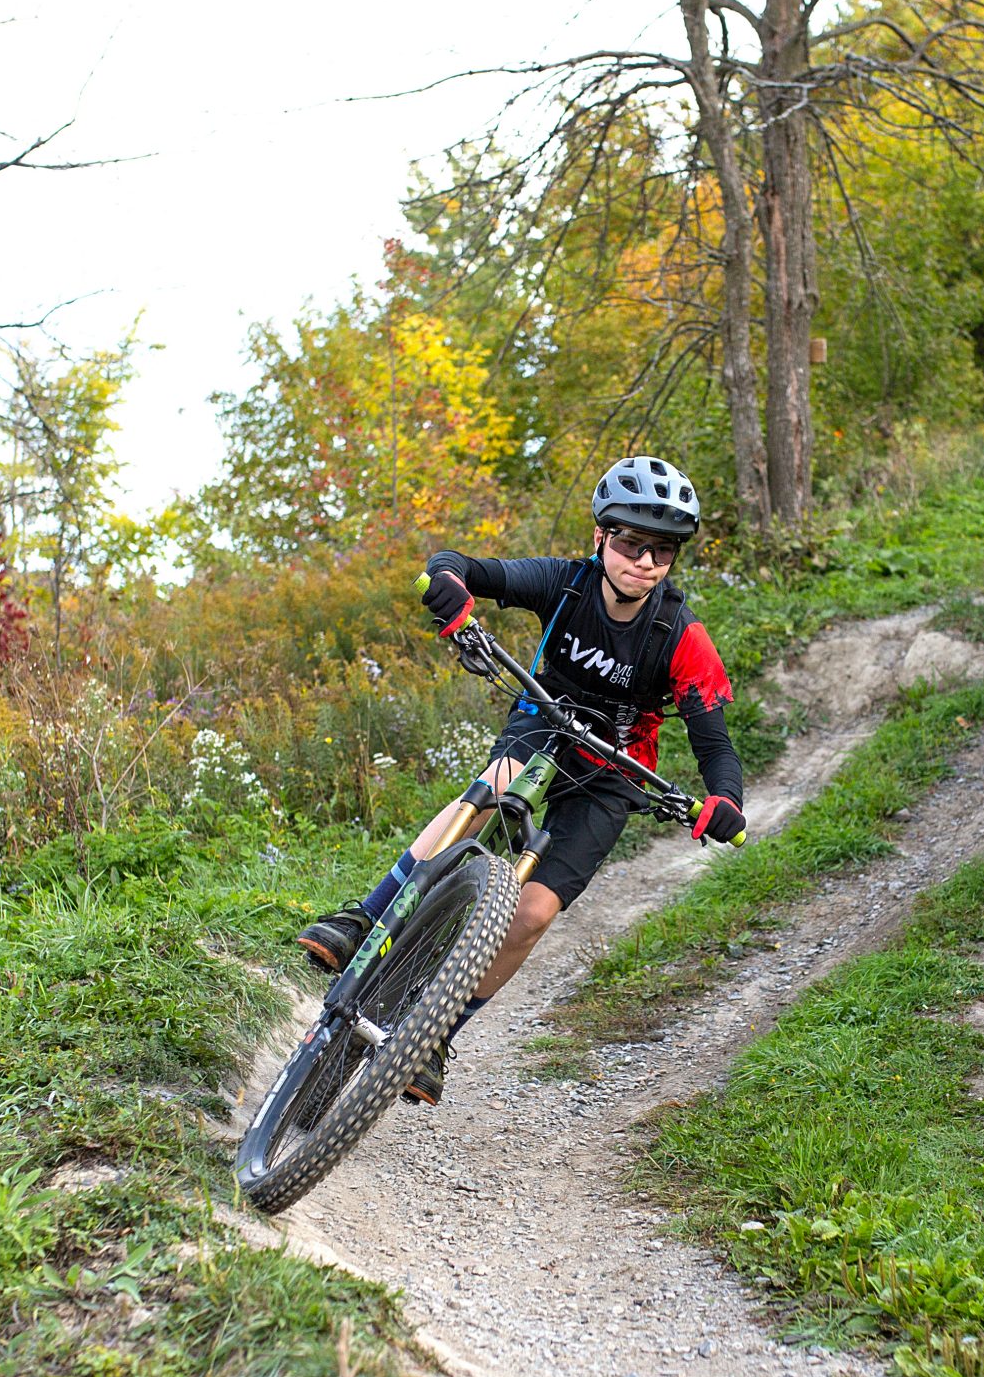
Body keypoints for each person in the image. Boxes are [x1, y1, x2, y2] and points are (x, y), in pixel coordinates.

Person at [296, 456, 750, 1103]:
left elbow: (715, 743)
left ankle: (433, 1033)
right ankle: (363, 920)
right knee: (492, 787)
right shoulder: (565, 584)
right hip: (543, 725)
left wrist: (725, 800)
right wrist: (450, 585)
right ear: (601, 537)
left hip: (611, 776)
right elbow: (464, 565)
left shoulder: (680, 635)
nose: (644, 560)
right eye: (630, 541)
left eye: (662, 550)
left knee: (533, 911)